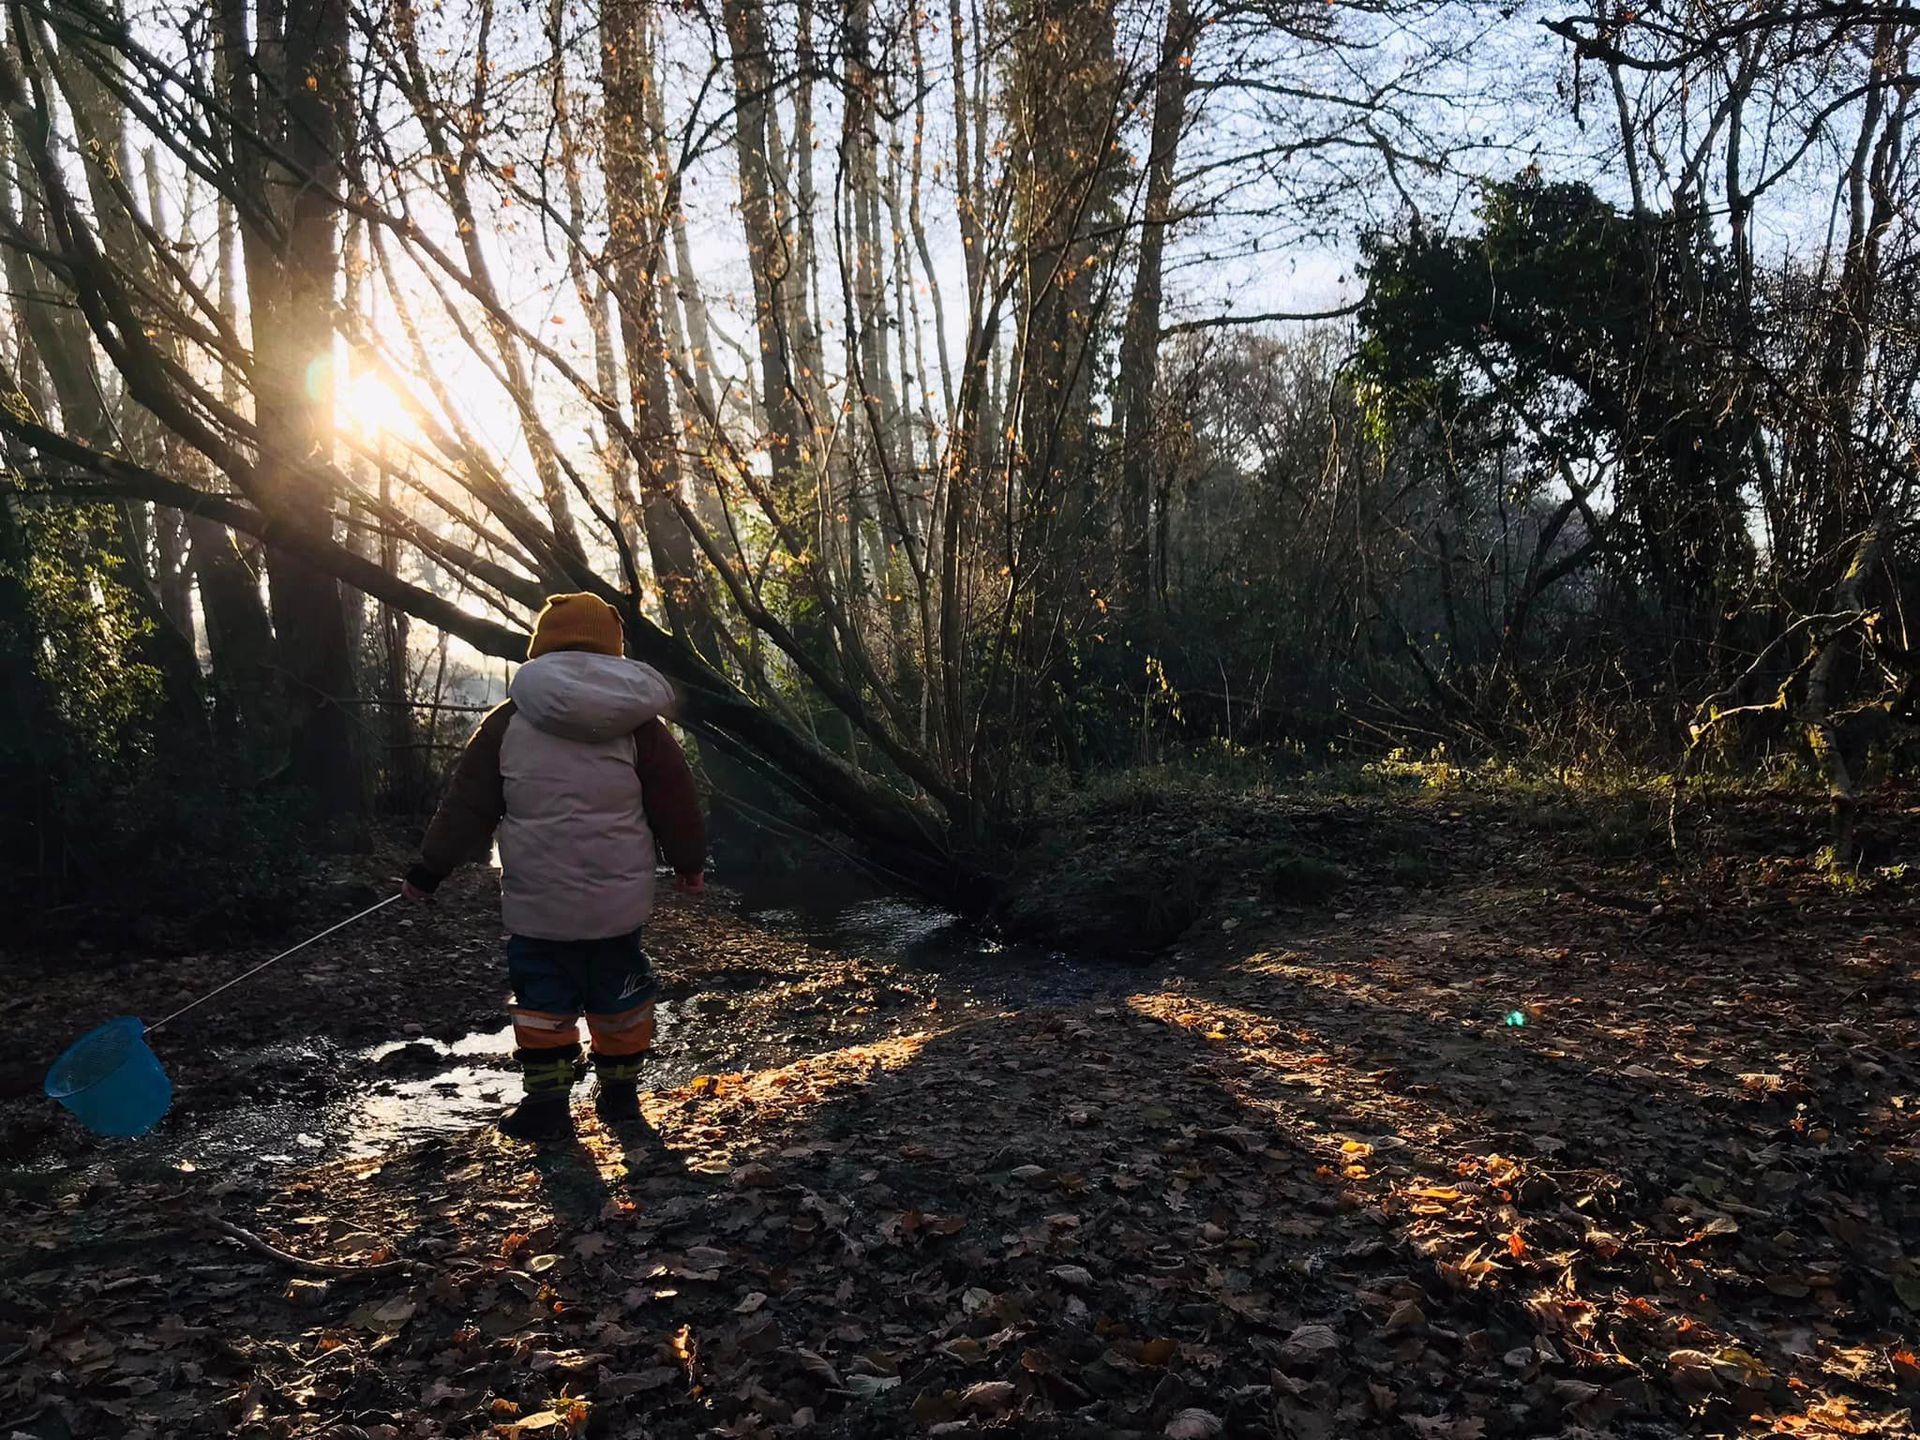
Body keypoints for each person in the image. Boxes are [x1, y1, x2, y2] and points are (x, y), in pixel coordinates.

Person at [401, 592, 706, 1141]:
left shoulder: (507, 722)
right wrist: (689, 865)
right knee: (620, 994)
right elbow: (675, 802)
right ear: (613, 650)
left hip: (537, 902)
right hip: (618, 902)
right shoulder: (642, 726)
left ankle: (546, 1103)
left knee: (543, 1001)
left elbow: (466, 806)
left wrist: (429, 871)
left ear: (541, 646)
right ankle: (619, 1097)